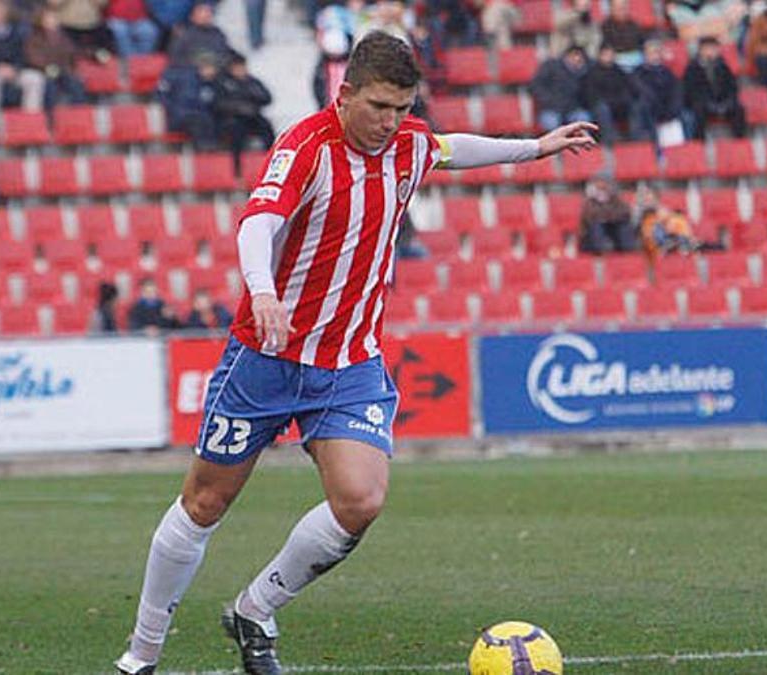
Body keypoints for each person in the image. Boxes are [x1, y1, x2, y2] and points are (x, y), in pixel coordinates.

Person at [112, 30, 598, 675]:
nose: (390, 122)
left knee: (360, 500)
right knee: (205, 503)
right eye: (378, 107)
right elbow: (258, 222)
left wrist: (535, 147)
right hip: (268, 355)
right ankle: (142, 654)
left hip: (350, 362)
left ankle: (255, 609)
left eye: (402, 108)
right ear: (344, 95)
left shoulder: (409, 145)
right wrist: (263, 291)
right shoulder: (306, 148)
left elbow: (452, 148)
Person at [0, 0, 46, 115]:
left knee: (35, 78)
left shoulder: (17, 31)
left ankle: (30, 119)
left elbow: (22, 56)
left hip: (13, 70)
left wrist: (15, 69)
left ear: (4, 12)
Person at [216, 53, 275, 171]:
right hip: (233, 118)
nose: (240, 70)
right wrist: (238, 107)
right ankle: (237, 170)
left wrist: (253, 98)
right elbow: (219, 103)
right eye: (237, 67)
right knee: (235, 133)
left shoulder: (252, 81)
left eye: (242, 67)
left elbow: (267, 98)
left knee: (267, 128)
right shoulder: (224, 82)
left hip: (253, 117)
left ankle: (272, 163)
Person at [25, 7, 90, 109]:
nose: (52, 21)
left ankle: (79, 112)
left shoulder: (64, 37)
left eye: (54, 18)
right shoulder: (35, 38)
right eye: (49, 18)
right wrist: (46, 66)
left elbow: (72, 52)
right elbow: (33, 57)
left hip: (63, 70)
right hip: (44, 71)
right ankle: (50, 114)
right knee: (50, 85)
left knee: (75, 83)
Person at [683, 36, 746, 139]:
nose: (711, 51)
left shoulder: (723, 66)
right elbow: (692, 91)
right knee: (698, 111)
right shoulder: (692, 68)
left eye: (714, 48)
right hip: (704, 102)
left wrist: (727, 102)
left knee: (738, 109)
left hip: (722, 101)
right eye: (708, 48)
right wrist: (709, 103)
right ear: (701, 50)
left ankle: (739, 139)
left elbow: (732, 87)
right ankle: (699, 141)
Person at [631, 39, 690, 146]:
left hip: (668, 108)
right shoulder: (638, 72)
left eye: (656, 52)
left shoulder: (667, 71)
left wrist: (672, 108)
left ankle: (689, 147)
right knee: (643, 110)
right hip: (650, 108)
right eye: (650, 53)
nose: (654, 56)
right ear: (644, 55)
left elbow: (676, 91)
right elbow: (644, 92)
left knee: (687, 117)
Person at [158, 56, 222, 149]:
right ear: (202, 68)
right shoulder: (185, 79)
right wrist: (173, 110)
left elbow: (211, 104)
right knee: (197, 123)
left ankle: (212, 151)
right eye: (210, 69)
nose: (212, 72)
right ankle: (203, 151)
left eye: (214, 69)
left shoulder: (212, 84)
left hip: (201, 118)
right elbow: (162, 96)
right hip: (179, 118)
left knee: (211, 122)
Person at [531, 45, 592, 133]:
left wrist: (581, 74)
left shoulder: (584, 72)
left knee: (584, 119)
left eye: (580, 57)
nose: (576, 59)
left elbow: (587, 93)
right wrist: (548, 100)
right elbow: (536, 85)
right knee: (551, 124)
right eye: (574, 56)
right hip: (551, 108)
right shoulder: (550, 66)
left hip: (573, 109)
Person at [583, 44, 634, 144]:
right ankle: (609, 139)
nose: (609, 57)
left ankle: (636, 137)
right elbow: (591, 94)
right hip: (599, 104)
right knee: (603, 109)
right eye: (606, 55)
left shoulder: (618, 71)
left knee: (635, 106)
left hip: (618, 102)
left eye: (611, 55)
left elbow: (627, 88)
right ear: (600, 56)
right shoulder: (592, 72)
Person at [580, 174, 636, 253]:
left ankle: (627, 248)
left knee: (624, 226)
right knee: (596, 226)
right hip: (595, 227)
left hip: (613, 224)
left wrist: (610, 216)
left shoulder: (614, 196)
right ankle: (598, 250)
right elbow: (589, 215)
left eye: (604, 181)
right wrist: (607, 214)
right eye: (599, 181)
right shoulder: (589, 199)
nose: (602, 184)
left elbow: (625, 211)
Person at [167, 2, 234, 67]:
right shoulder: (184, 33)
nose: (206, 14)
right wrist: (200, 66)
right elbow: (176, 58)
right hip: (189, 70)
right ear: (192, 16)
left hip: (216, 69)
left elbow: (225, 54)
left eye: (208, 11)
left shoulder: (217, 33)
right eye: (201, 11)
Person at [47, 0, 115, 56]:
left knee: (102, 55)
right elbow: (53, 3)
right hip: (67, 26)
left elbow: (103, 3)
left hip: (93, 26)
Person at [600, 0, 645, 68]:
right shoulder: (605, 26)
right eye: (617, 6)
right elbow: (606, 49)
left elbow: (641, 45)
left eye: (623, 6)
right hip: (615, 65)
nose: (621, 9)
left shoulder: (635, 25)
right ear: (611, 8)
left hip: (636, 64)